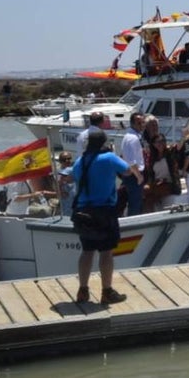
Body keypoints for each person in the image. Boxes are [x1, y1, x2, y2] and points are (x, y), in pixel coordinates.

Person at [73, 125, 142, 305]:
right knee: (106, 252)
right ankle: (106, 291)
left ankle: (82, 290)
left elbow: (76, 177)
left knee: (87, 251)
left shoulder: (80, 161)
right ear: (104, 142)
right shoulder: (109, 158)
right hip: (104, 211)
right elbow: (127, 171)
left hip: (83, 212)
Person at [119, 112, 146, 216]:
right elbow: (131, 161)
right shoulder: (133, 138)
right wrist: (139, 176)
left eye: (143, 122)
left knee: (134, 202)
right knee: (135, 203)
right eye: (139, 123)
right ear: (132, 124)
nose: (142, 125)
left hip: (131, 174)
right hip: (134, 175)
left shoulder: (131, 136)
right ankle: (134, 223)